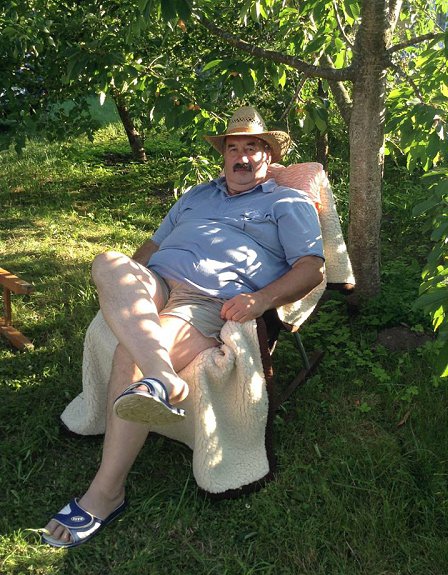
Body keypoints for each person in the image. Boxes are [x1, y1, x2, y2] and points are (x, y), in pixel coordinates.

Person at [41, 106, 325, 548]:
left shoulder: (287, 202)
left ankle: (106, 493)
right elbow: (152, 246)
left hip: (204, 299)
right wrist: (123, 290)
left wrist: (262, 300)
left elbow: (311, 269)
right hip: (155, 284)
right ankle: (164, 377)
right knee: (108, 262)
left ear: (269, 156)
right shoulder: (196, 195)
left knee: (129, 355)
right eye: (233, 148)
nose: (242, 157)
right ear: (223, 155)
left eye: (253, 148)